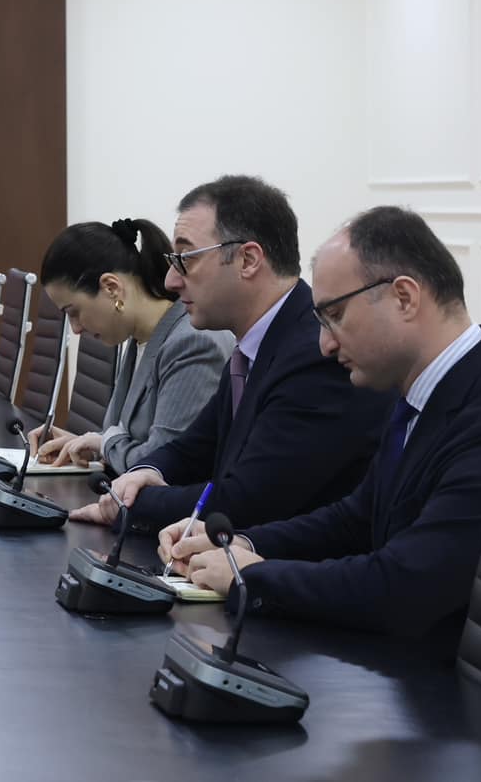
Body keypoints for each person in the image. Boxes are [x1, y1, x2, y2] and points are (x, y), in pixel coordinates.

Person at [164, 206, 481, 640]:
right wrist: (242, 544)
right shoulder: (424, 389)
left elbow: (405, 585)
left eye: (335, 316)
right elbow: (355, 519)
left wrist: (251, 577)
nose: (324, 344)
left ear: (404, 298)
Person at [82, 176, 389, 531]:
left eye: (186, 259)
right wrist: (144, 474)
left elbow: (248, 502)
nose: (170, 281)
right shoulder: (256, 345)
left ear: (248, 260)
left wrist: (129, 502)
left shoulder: (315, 355)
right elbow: (193, 448)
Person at [26, 219, 231, 472]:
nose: (76, 328)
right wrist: (85, 445)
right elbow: (128, 437)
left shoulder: (192, 343)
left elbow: (163, 464)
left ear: (111, 288)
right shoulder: (140, 338)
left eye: (73, 311)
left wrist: (105, 444)